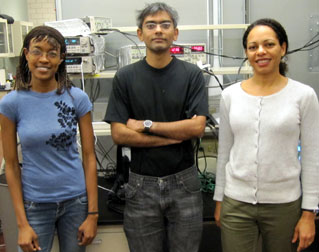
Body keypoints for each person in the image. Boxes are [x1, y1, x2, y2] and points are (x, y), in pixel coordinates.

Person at [104, 2, 208, 252]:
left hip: (184, 183)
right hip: (141, 185)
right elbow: (119, 134)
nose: (158, 30)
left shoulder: (192, 75)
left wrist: (146, 126)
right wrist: (173, 136)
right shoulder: (125, 77)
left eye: (165, 25)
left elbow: (196, 129)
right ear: (140, 34)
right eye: (151, 25)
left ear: (175, 33)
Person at [213, 18, 319, 252]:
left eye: (269, 44)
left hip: (284, 205)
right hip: (235, 202)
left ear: (283, 48)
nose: (261, 52)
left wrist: (309, 212)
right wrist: (219, 200)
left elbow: (312, 157)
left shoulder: (304, 96)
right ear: (246, 53)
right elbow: (225, 153)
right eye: (253, 47)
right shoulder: (230, 96)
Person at [0, 26, 98, 252]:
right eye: (37, 51)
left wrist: (92, 214)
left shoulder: (77, 98)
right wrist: (22, 223)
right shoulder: (11, 103)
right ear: (26, 54)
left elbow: (89, 156)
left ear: (61, 58)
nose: (44, 59)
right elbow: (12, 166)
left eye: (52, 53)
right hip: (35, 205)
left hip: (76, 202)